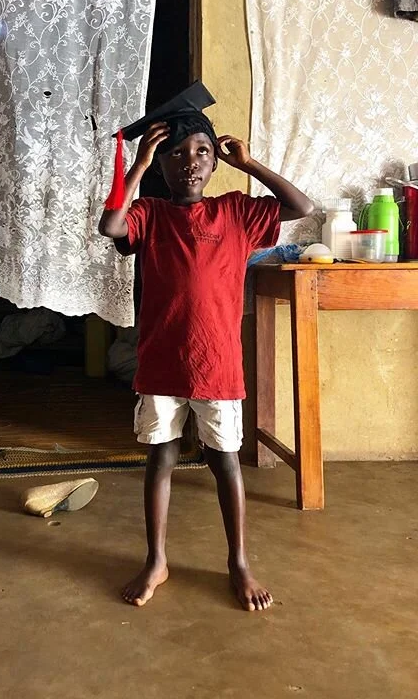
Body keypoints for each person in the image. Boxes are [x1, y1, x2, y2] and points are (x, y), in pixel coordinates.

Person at [98, 82, 314, 610]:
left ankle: (238, 561)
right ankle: (157, 559)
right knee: (161, 457)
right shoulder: (150, 213)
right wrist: (139, 162)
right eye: (174, 153)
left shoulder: (237, 211)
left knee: (225, 462)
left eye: (199, 151)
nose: (188, 162)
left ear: (214, 161)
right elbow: (111, 223)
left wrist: (250, 163)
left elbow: (301, 205)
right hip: (162, 363)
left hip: (216, 365)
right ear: (161, 164)